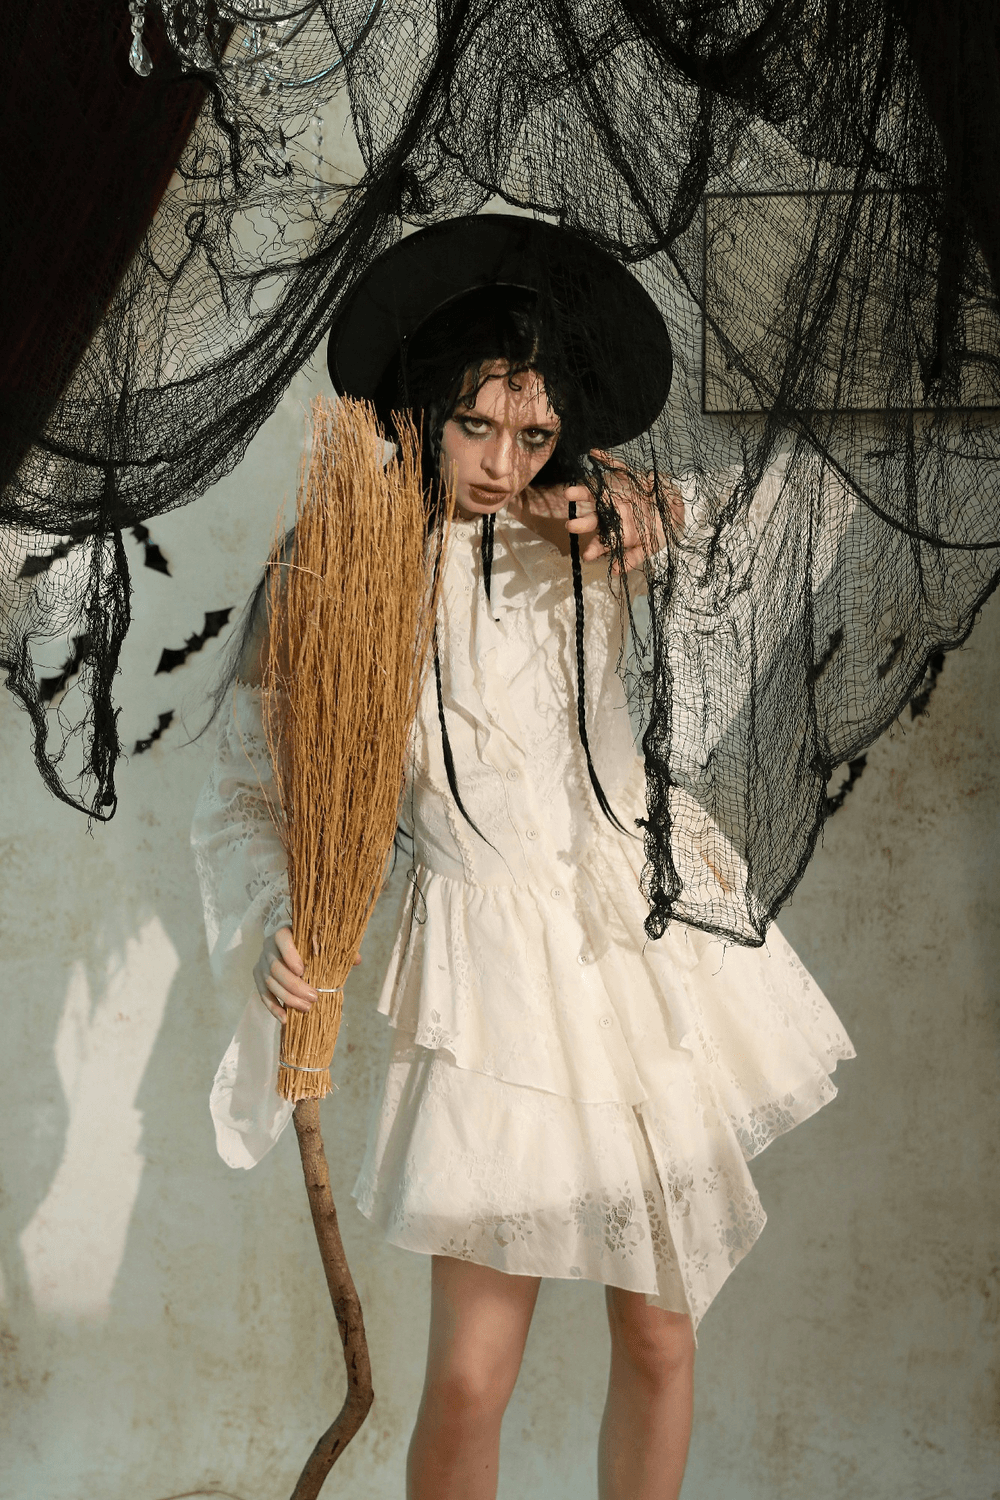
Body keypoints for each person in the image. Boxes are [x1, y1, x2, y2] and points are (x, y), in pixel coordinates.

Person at [191, 215, 854, 1500]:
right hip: (487, 976)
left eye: (534, 434)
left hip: (633, 948)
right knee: (469, 1376)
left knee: (659, 1335)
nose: (504, 462)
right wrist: (275, 914)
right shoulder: (337, 560)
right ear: (420, 406)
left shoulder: (587, 526)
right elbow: (248, 784)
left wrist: (662, 510)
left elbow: (796, 513)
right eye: (475, 425)